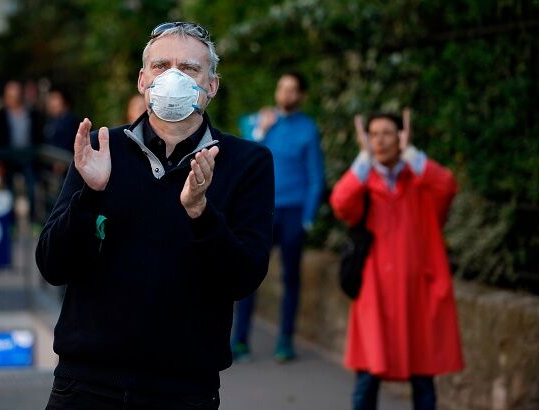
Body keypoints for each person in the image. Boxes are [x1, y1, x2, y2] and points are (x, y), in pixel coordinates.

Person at [36, 22, 274, 410]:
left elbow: (244, 277)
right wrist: (90, 198)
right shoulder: (100, 149)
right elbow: (53, 265)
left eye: (190, 69)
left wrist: (200, 213)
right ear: (143, 80)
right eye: (161, 66)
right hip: (84, 384)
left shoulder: (246, 163)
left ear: (211, 85)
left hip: (183, 390)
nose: (174, 77)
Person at [329, 110, 464, 410]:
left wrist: (411, 152)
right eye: (373, 134)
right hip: (374, 293)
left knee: (423, 379)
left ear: (402, 137)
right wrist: (364, 158)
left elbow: (448, 186)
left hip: (419, 294)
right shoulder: (364, 184)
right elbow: (340, 202)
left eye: (388, 133)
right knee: (366, 380)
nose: (380, 140)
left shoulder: (421, 183)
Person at [232, 72, 325, 362]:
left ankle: (285, 340)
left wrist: (308, 217)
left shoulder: (308, 129)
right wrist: (261, 130)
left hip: (294, 211)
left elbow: (316, 175)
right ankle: (240, 339)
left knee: (291, 277)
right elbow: (242, 158)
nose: (286, 94)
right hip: (263, 209)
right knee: (249, 271)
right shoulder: (255, 121)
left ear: (301, 96)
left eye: (292, 90)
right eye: (282, 88)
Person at [0, 80, 43, 217]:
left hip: (28, 157)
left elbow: (39, 134)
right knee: (9, 192)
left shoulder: (31, 113)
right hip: (8, 158)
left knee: (32, 190)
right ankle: (11, 223)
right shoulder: (0, 115)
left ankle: (33, 220)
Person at [44, 87, 79, 153]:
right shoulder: (51, 121)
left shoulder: (70, 122)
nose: (51, 103)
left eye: (54, 98)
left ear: (64, 101)